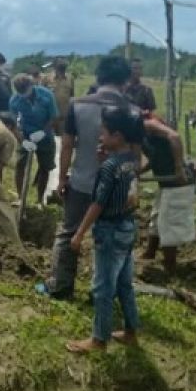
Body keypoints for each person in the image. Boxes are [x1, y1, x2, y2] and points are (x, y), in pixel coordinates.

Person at [48, 55, 134, 300]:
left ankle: (61, 287)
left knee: (68, 233)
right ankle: (109, 291)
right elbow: (135, 155)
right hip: (118, 187)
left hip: (82, 182)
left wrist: (62, 178)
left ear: (99, 78)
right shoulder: (132, 110)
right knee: (112, 238)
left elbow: (67, 145)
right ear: (125, 81)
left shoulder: (78, 105)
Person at [66, 106, 143, 353]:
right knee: (124, 283)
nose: (100, 135)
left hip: (109, 230)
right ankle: (131, 331)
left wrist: (79, 234)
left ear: (117, 136)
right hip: (127, 226)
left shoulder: (109, 167)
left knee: (103, 287)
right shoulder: (131, 158)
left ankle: (99, 339)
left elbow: (98, 203)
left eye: (104, 132)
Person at [139, 112, 191, 275]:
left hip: (177, 182)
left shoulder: (147, 125)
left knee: (169, 223)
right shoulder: (141, 134)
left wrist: (178, 168)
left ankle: (170, 266)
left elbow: (174, 137)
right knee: (156, 219)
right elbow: (155, 156)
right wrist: (140, 170)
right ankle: (150, 254)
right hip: (165, 183)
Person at [9, 74, 58, 203]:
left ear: (32, 86)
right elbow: (13, 124)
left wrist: (43, 132)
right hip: (26, 133)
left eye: (25, 92)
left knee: (44, 167)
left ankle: (40, 199)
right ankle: (20, 198)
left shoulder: (47, 95)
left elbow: (54, 118)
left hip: (45, 134)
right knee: (20, 165)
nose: (24, 95)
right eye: (21, 93)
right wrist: (22, 141)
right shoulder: (15, 100)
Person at [44, 57, 75, 136]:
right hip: (50, 117)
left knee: (63, 138)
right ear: (55, 68)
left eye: (63, 68)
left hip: (64, 117)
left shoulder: (70, 78)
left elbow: (72, 96)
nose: (61, 71)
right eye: (59, 68)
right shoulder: (47, 78)